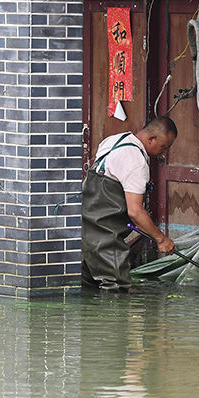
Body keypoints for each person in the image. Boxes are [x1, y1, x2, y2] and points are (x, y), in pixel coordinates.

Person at [81, 116, 177, 291]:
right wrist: (161, 239)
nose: (163, 153)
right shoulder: (136, 162)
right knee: (118, 289)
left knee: (89, 288)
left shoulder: (115, 140)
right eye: (163, 147)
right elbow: (135, 211)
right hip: (105, 236)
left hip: (84, 232)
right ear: (151, 139)